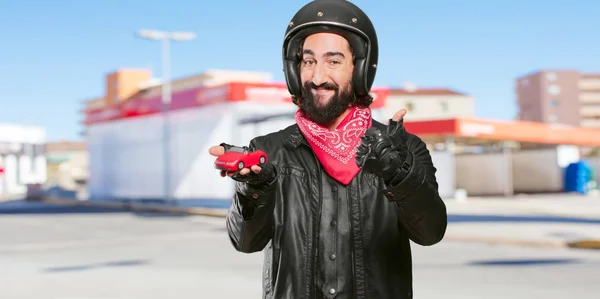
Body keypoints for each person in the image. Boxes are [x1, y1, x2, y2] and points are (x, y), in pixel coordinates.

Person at [209, 0, 447, 298]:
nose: (318, 77)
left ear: (358, 68)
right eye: (308, 62)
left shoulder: (402, 149)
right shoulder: (268, 150)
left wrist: (399, 174)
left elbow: (431, 233)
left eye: (333, 61)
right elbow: (245, 243)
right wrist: (255, 189)